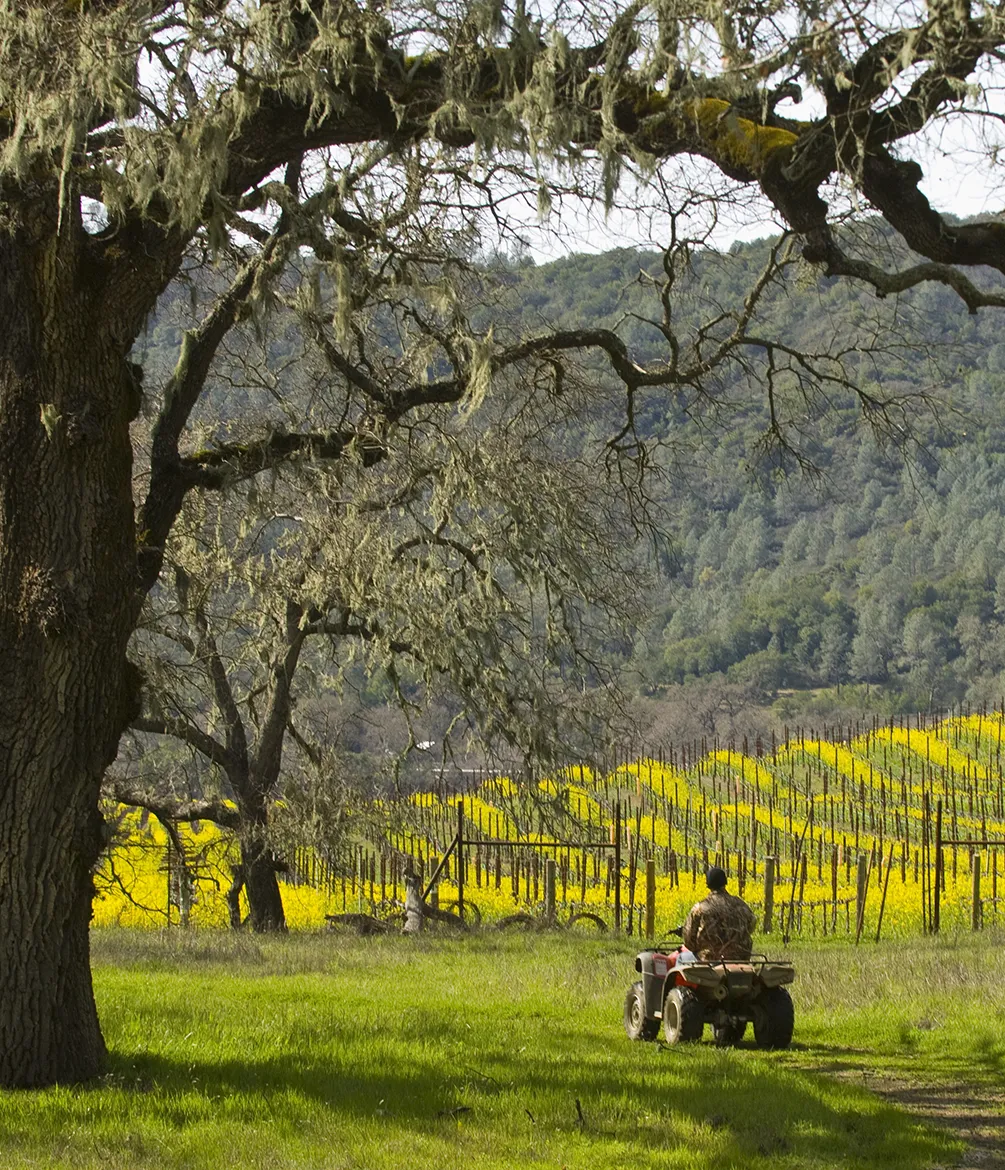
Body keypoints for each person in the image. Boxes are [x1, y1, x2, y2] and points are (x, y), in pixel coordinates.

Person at [682, 866, 755, 960]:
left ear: (708, 884)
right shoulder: (741, 905)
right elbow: (751, 926)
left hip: (709, 959)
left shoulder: (700, 908)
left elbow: (689, 940)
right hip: (741, 958)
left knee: (681, 957)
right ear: (725, 883)